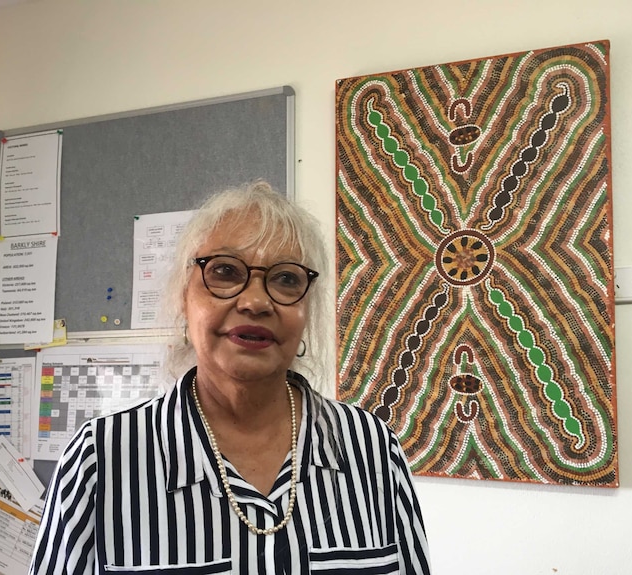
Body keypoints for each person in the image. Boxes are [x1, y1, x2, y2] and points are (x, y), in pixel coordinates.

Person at [29, 181, 432, 574]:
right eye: (224, 271)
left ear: (308, 311)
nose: (256, 302)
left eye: (287, 278)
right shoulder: (101, 459)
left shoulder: (372, 447)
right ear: (183, 299)